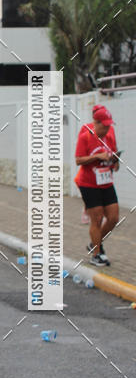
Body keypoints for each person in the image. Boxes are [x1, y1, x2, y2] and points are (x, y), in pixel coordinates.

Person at [75, 104, 119, 267]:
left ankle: (95, 243)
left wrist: (114, 161)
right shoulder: (85, 136)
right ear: (96, 122)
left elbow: (113, 154)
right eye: (105, 125)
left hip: (106, 181)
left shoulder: (110, 134)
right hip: (88, 183)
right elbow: (78, 159)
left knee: (113, 218)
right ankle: (96, 254)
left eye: (109, 125)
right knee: (97, 218)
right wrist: (97, 157)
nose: (107, 129)